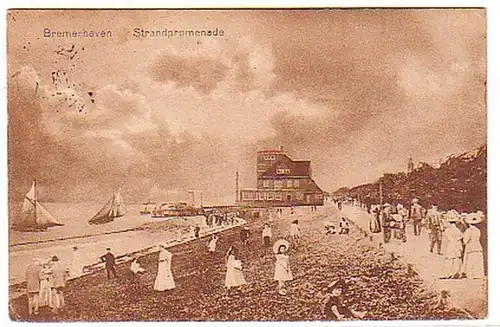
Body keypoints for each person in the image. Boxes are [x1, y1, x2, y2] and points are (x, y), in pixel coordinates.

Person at [440, 212, 463, 279]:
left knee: (449, 259)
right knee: (457, 259)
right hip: (457, 244)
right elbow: (461, 236)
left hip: (451, 244)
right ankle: (457, 272)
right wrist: (457, 239)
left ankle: (448, 273)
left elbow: (448, 239)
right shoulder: (457, 230)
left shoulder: (447, 230)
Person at [461, 214, 485, 279]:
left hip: (470, 247)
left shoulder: (468, 231)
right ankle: (478, 274)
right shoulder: (478, 230)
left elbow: (465, 241)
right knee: (477, 261)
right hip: (477, 246)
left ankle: (470, 274)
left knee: (470, 261)